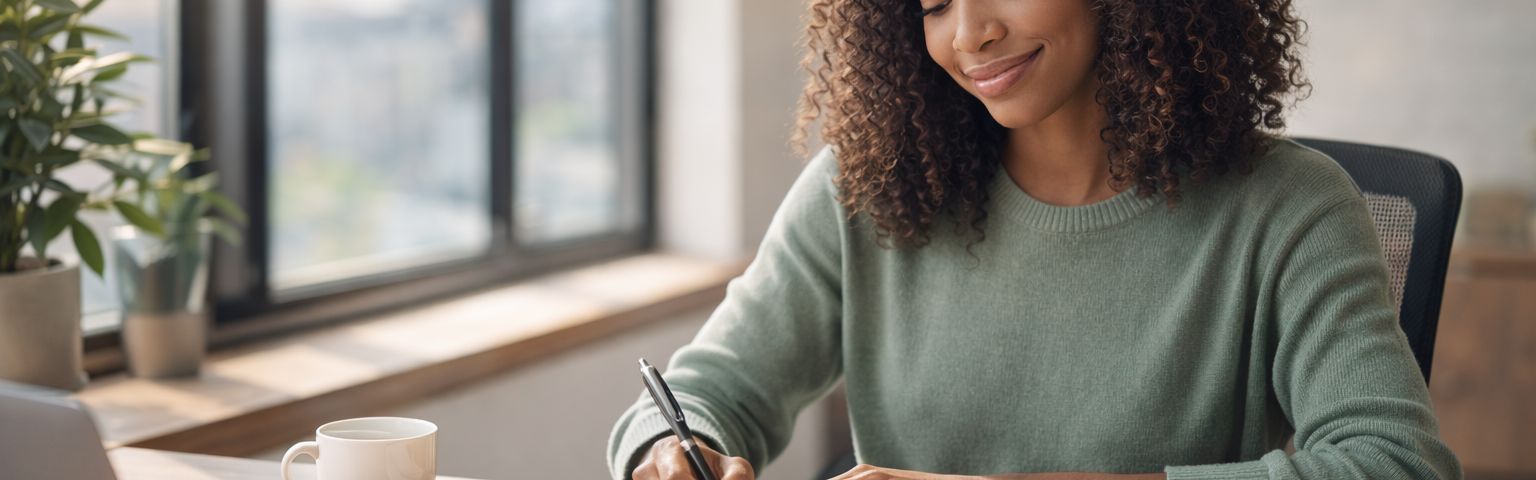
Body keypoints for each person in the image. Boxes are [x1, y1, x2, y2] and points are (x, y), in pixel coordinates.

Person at [608, 0, 1462, 478]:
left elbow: (1395, 466)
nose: (969, 33)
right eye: (932, 3)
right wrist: (669, 453)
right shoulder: (868, 188)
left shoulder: (1289, 210)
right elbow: (702, 392)